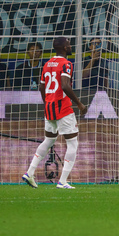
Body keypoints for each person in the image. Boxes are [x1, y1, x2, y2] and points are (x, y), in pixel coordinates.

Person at [22, 37, 88, 190]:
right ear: (64, 47)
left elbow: (41, 87)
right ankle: (63, 181)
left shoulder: (47, 63)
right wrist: (78, 103)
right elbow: (65, 85)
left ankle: (30, 172)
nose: (70, 46)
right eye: (69, 44)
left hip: (49, 107)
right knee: (72, 143)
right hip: (63, 108)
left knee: (48, 140)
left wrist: (47, 103)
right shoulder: (66, 64)